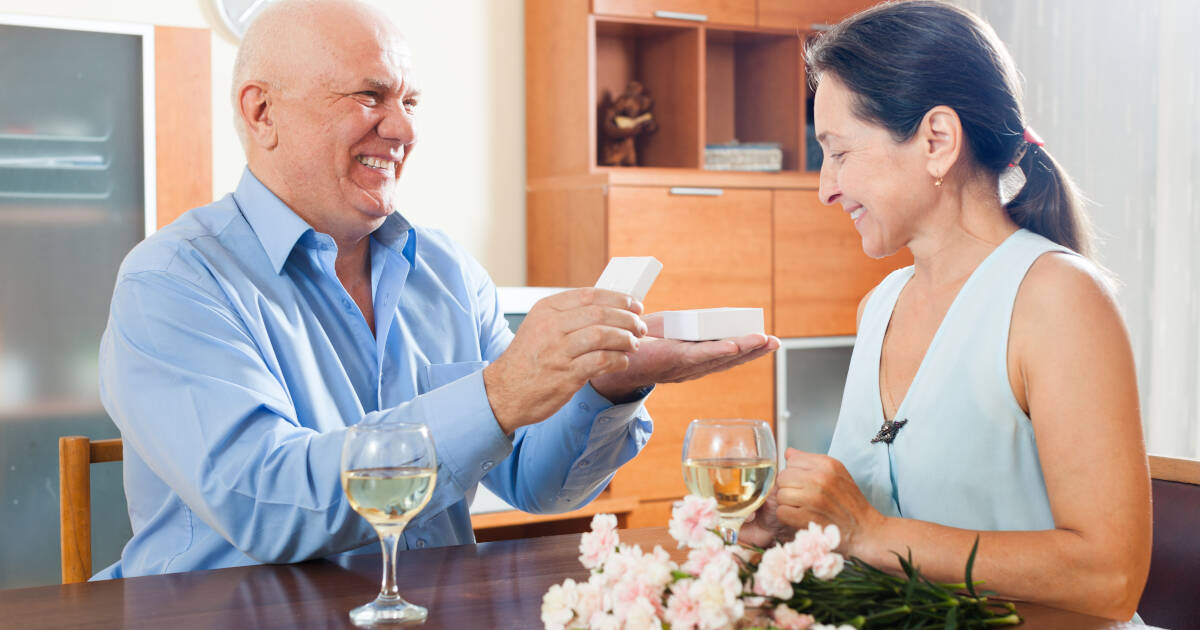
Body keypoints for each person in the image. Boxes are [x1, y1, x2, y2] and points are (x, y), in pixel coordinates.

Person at [95, 0, 778, 579]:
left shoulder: (446, 271)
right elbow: (266, 504)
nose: (404, 129)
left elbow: (538, 485)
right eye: (371, 95)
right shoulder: (173, 283)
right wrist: (501, 393)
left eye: (409, 100)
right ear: (263, 111)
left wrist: (606, 387)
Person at [740, 1, 1150, 621]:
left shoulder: (1058, 299)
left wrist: (866, 530)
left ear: (937, 141)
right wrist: (805, 528)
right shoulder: (878, 307)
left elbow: (1110, 577)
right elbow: (886, 534)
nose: (825, 187)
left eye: (840, 152)